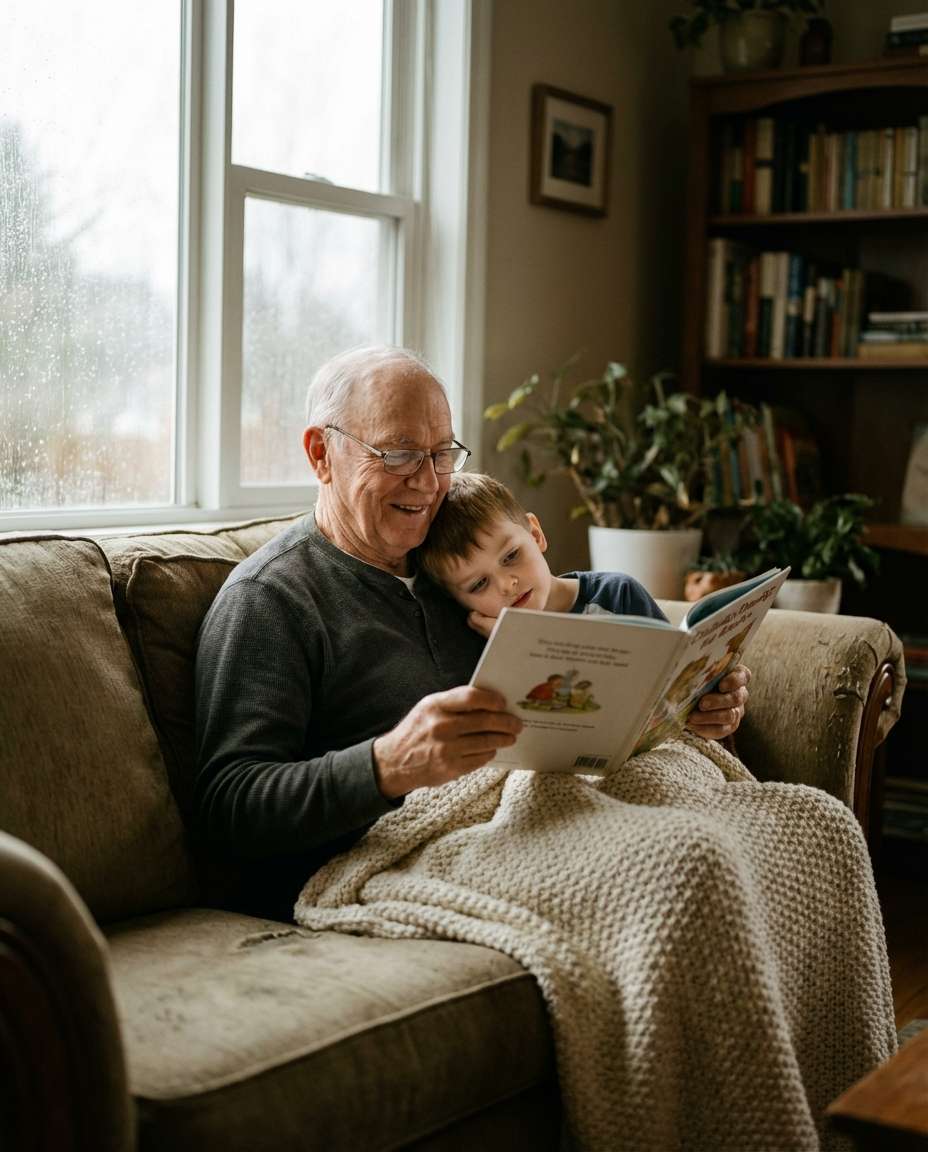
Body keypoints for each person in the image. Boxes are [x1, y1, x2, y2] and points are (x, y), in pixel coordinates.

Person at [194, 345, 748, 916]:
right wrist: (388, 765)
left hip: (537, 821)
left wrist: (694, 698)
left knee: (775, 827)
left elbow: (567, 616)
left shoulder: (449, 561)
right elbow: (228, 808)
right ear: (321, 454)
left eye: (442, 454)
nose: (428, 482)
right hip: (402, 859)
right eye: (399, 454)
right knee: (687, 861)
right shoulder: (270, 599)